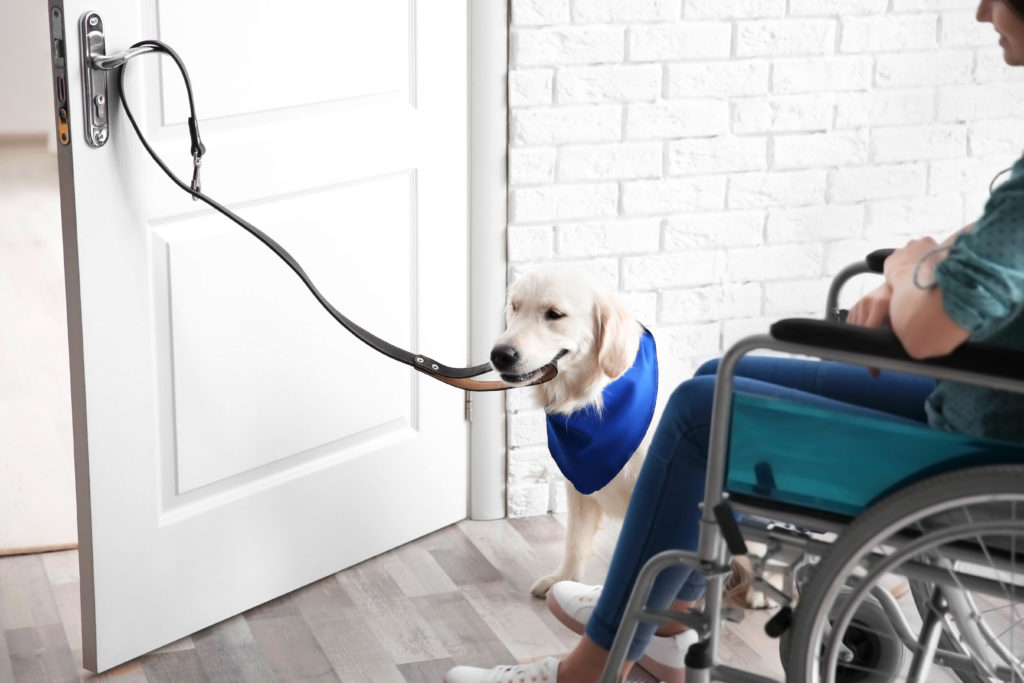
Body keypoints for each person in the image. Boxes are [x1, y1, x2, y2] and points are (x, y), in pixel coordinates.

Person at [445, 1, 1024, 681]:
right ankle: (660, 624)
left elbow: (928, 326)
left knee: (698, 412)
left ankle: (585, 669)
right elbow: (977, 256)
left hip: (983, 439)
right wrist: (930, 263)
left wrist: (908, 268)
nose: (983, 10)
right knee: (720, 373)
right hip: (980, 404)